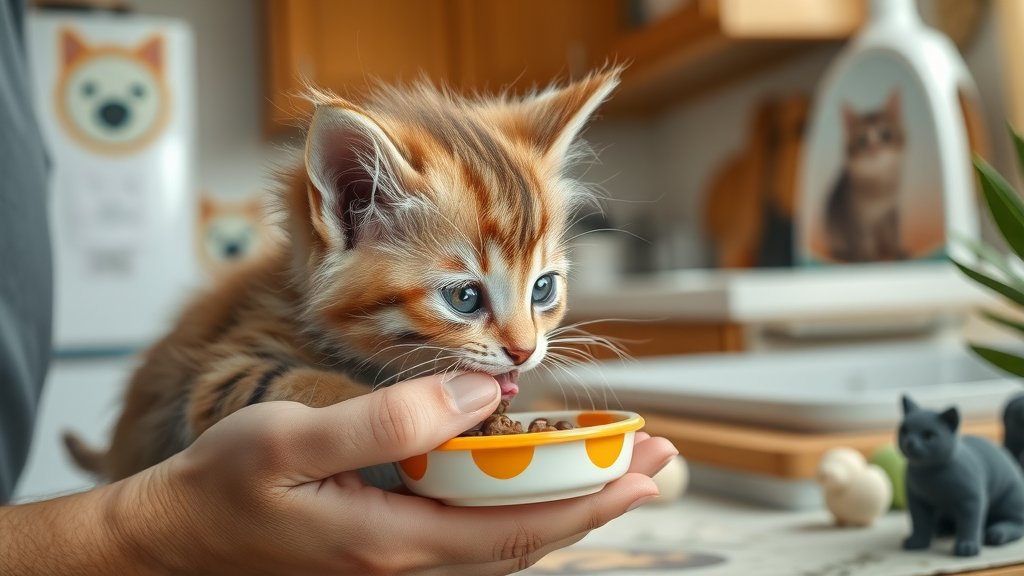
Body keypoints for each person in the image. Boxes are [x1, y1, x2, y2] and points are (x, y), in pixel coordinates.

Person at [0, 1, 678, 574]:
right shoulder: (284, 315)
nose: (526, 344)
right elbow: (219, 393)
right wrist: (364, 419)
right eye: (466, 298)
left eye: (543, 290)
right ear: (355, 211)